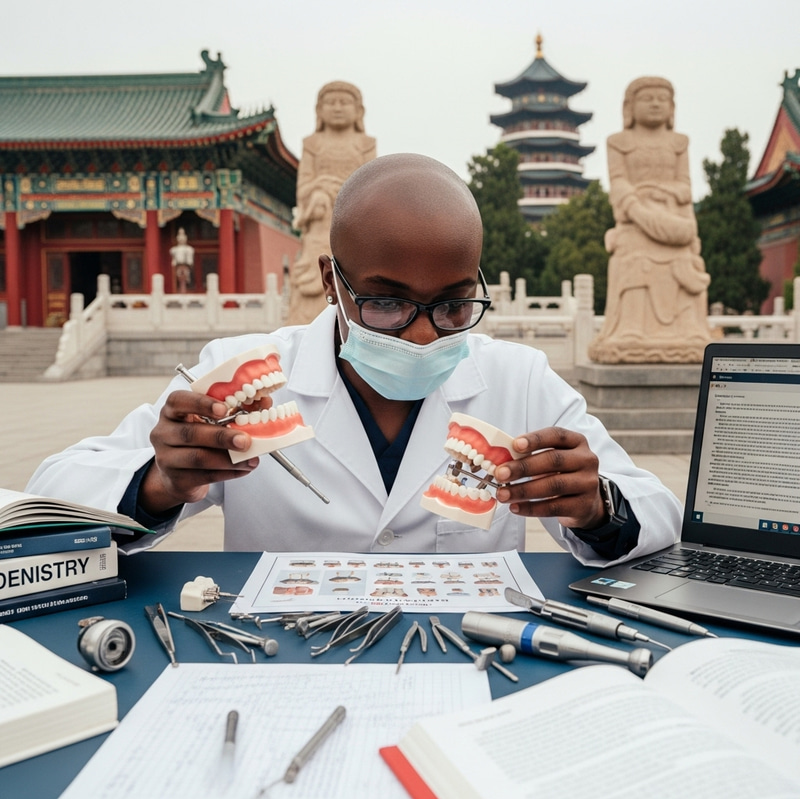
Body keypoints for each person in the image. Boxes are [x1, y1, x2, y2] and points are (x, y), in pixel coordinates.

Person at [27, 153, 681, 565]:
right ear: (330, 280)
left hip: (472, 653)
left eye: (453, 305)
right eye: (387, 304)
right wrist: (158, 483)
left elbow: (660, 513)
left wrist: (599, 507)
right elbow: (52, 492)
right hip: (285, 656)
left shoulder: (520, 382)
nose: (424, 337)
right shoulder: (244, 379)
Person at [589, 76, 711, 363]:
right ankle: (632, 328)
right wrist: (636, 209)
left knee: (684, 262)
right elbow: (618, 183)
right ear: (630, 107)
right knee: (635, 260)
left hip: (672, 217)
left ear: (672, 108)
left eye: (662, 98)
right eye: (647, 98)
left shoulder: (678, 143)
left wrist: (662, 196)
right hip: (635, 221)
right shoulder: (619, 143)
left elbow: (685, 185)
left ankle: (689, 327)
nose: (656, 103)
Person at [287, 81, 377, 325]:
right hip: (320, 218)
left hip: (355, 223)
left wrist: (344, 191)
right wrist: (319, 189)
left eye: (345, 102)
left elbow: (373, 185)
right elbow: (303, 188)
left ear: (358, 111)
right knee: (314, 273)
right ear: (319, 110)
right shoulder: (312, 144)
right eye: (331, 102)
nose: (337, 107)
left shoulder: (366, 144)